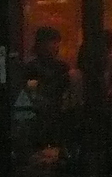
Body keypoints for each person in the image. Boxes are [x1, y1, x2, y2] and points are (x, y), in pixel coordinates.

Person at [15, 27, 71, 155]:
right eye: (52, 43)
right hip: (39, 118)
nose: (56, 47)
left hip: (57, 117)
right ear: (41, 45)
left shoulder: (62, 68)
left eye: (57, 43)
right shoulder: (31, 68)